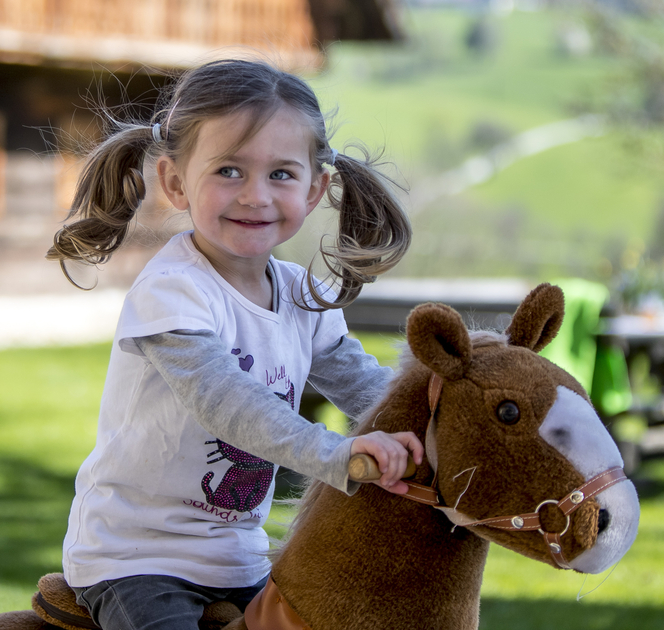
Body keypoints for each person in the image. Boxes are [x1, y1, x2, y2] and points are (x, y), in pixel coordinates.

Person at [47, 58, 423, 630]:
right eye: (228, 171)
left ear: (316, 187)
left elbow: (366, 386)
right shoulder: (174, 290)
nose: (255, 196)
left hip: (239, 557)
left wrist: (434, 421)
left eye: (280, 174)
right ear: (174, 182)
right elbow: (226, 403)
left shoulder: (302, 295)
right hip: (137, 555)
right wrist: (336, 455)